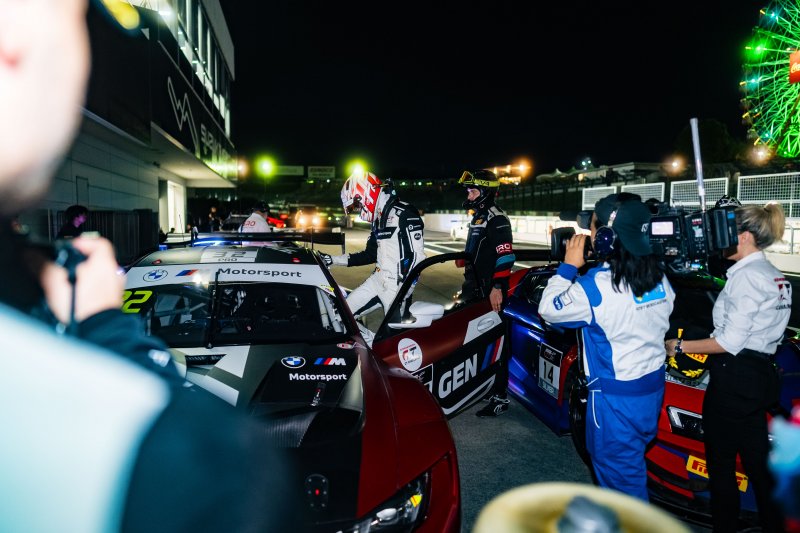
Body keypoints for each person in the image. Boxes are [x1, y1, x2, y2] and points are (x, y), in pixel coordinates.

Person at [0, 0, 291, 530]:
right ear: (13, 42)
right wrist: (108, 329)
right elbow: (205, 461)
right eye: (77, 20)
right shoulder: (202, 466)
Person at [538, 195, 675, 500]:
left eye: (593, 229)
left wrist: (568, 268)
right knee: (630, 467)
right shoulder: (660, 277)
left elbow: (548, 309)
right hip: (651, 391)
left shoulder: (595, 287)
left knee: (622, 490)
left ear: (606, 238)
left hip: (615, 402)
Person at [665, 202, 791, 533]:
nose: (720, 242)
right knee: (758, 466)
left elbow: (728, 341)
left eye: (726, 234)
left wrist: (680, 346)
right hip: (760, 377)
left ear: (744, 237)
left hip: (734, 378)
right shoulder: (774, 275)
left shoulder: (746, 278)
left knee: (721, 467)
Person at [319, 171, 425, 326]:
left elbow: (417, 258)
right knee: (338, 317)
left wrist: (403, 292)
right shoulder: (378, 219)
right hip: (377, 280)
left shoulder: (405, 213)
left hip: (397, 287)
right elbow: (369, 254)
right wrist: (333, 259)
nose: (358, 209)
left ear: (365, 194)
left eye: (357, 205)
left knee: (395, 337)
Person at [457, 169, 516, 417]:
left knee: (497, 344)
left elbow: (506, 255)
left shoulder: (496, 218)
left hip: (490, 292)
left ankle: (500, 396)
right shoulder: (479, 217)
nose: (469, 196)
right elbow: (478, 250)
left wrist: (497, 288)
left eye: (472, 191)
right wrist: (464, 258)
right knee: (475, 342)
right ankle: (483, 386)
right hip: (473, 289)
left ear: (485, 192)